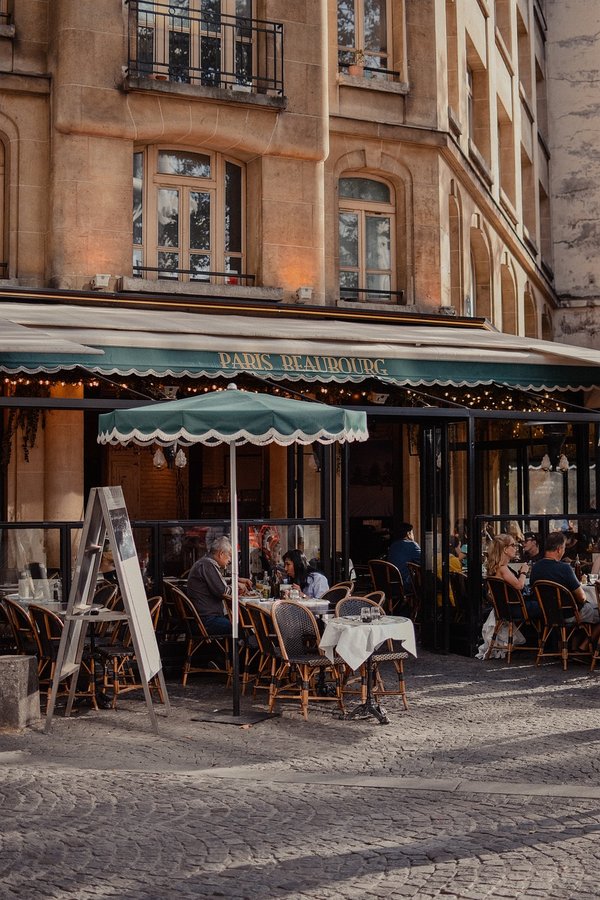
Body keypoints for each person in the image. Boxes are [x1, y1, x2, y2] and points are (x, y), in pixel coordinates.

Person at [530, 531, 599, 639]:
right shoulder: (564, 568)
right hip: (570, 614)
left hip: (547, 614)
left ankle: (580, 645)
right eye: (564, 548)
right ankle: (586, 646)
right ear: (559, 549)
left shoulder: (535, 568)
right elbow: (582, 597)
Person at [186, 536, 252, 635]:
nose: (230, 560)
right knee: (242, 627)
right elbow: (222, 591)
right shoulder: (208, 565)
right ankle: (244, 645)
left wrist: (236, 580)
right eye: (229, 556)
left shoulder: (205, 563)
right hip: (207, 620)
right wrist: (236, 586)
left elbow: (217, 582)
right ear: (221, 554)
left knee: (242, 621)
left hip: (203, 617)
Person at [486, 533, 540, 619]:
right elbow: (519, 585)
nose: (516, 548)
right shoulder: (503, 568)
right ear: (505, 549)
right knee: (545, 606)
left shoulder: (498, 567)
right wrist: (523, 572)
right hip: (515, 608)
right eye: (513, 545)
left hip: (506, 608)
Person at [388, 523, 421, 592]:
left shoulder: (393, 546)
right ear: (408, 533)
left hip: (393, 584)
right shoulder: (411, 544)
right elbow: (423, 561)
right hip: (407, 583)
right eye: (412, 533)